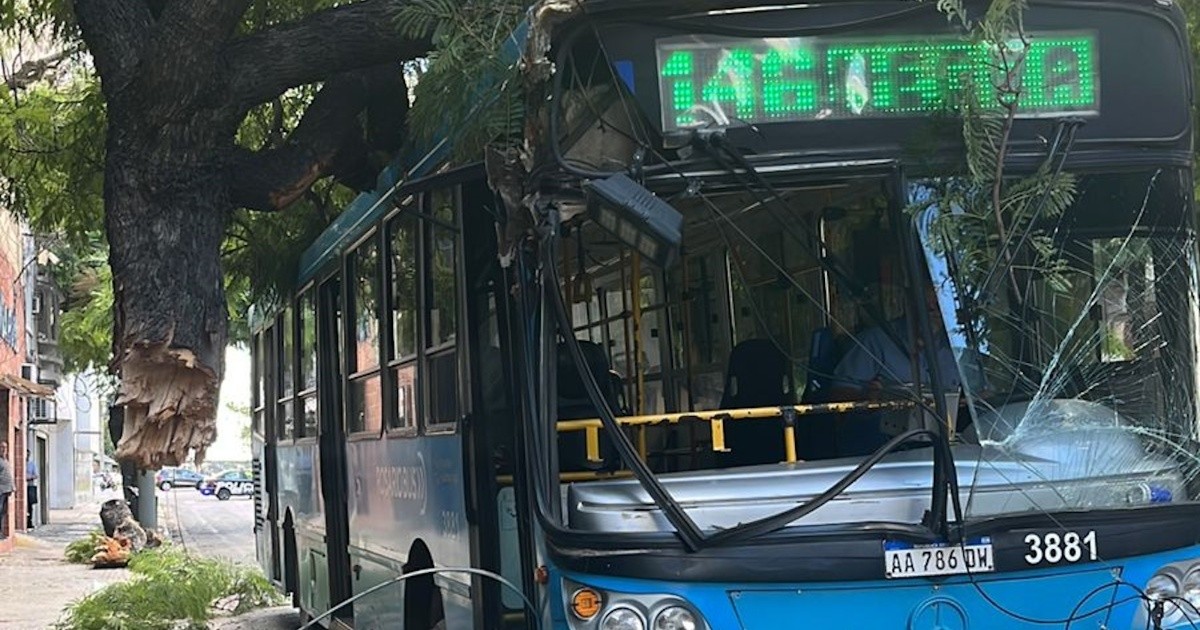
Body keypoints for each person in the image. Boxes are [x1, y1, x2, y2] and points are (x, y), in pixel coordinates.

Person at [0, 442, 11, 540]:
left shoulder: (6, 461)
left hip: (6, 490)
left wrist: (12, 487)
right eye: (2, 447)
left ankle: (2, 532)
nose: (4, 449)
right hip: (1, 490)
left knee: (3, 512)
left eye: (5, 447)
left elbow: (9, 475)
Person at [25, 449, 38, 529]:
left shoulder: (32, 464)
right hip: (22, 486)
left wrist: (29, 477)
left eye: (28, 455)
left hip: (29, 486)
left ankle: (29, 522)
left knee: (30, 505)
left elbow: (36, 475)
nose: (27, 456)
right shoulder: (21, 463)